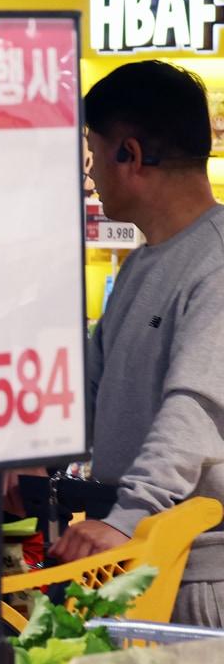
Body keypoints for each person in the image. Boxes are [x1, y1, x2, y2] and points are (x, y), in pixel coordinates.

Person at [49, 60, 224, 624]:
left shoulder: (216, 262)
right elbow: (93, 391)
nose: (92, 173)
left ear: (130, 154)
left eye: (94, 155)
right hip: (137, 568)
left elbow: (195, 410)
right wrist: (31, 462)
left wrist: (128, 517)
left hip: (198, 577)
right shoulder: (139, 266)